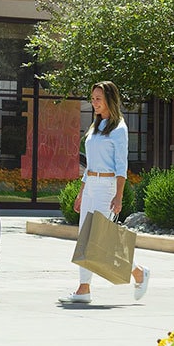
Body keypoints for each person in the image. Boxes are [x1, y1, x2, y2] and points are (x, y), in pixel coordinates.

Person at [61, 80, 150, 306]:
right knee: (85, 236)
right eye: (92, 99)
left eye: (98, 99)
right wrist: (81, 193)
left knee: (100, 238)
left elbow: (121, 166)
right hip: (91, 185)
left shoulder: (119, 128)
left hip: (107, 186)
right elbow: (89, 164)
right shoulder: (95, 127)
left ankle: (138, 272)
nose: (94, 103)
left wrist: (118, 196)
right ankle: (84, 288)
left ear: (110, 99)